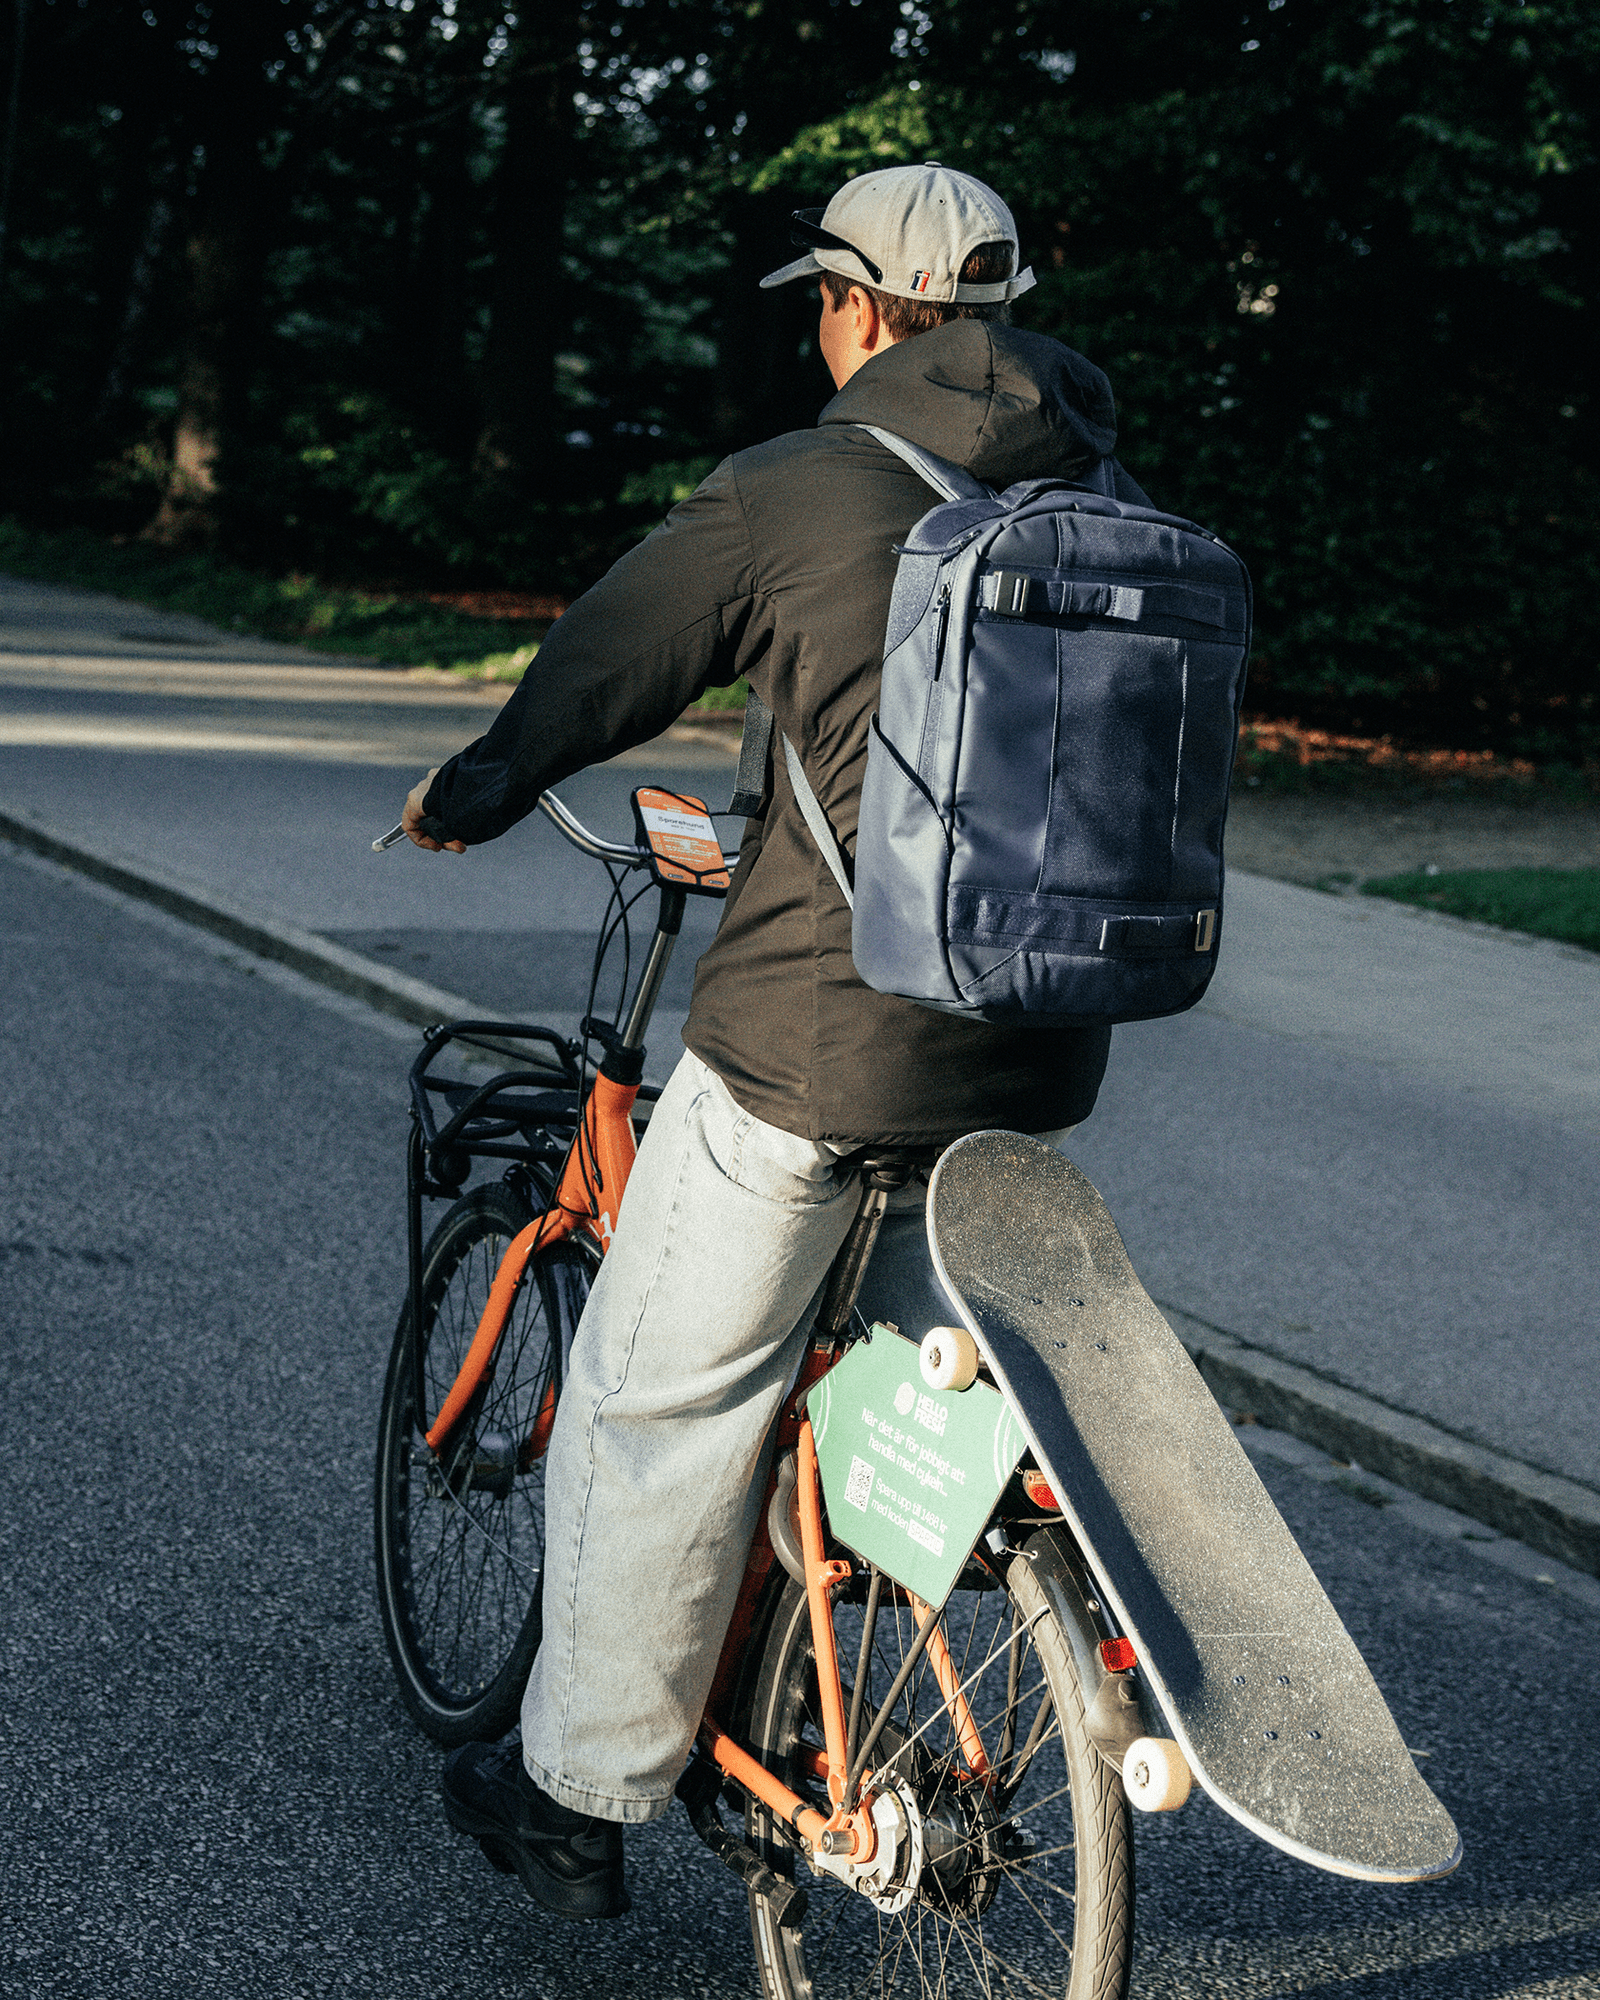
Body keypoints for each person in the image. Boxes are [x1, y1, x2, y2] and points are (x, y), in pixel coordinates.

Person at [398, 161, 1150, 1919]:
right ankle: (864, 1658)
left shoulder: (795, 486)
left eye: (820, 303)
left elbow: (611, 659)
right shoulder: (1108, 499)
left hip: (819, 1052)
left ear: (863, 310)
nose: (819, 331)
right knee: (873, 1377)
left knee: (656, 1393)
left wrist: (479, 785)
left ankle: (576, 1787)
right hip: (1040, 1059)